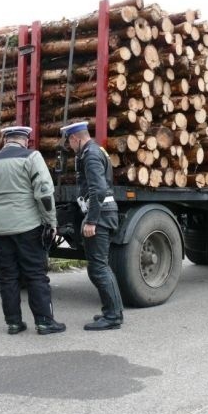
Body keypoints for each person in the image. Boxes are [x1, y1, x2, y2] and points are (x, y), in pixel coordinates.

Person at [0, 126, 65, 335]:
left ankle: (13, 323)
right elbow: (44, 192)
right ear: (25, 140)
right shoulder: (32, 157)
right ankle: (44, 322)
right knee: (35, 275)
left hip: (0, 230)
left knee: (7, 276)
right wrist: (51, 223)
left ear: (5, 140)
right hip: (28, 226)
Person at [60, 121, 124, 331]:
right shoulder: (96, 151)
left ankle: (113, 316)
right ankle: (111, 312)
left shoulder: (91, 155)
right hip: (103, 213)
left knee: (98, 267)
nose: (70, 147)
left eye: (70, 142)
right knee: (99, 266)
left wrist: (92, 220)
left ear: (75, 138)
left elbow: (98, 190)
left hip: (100, 215)